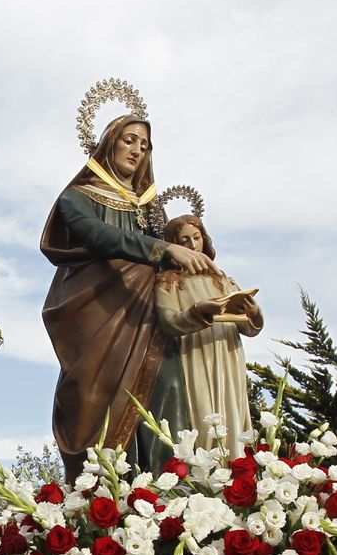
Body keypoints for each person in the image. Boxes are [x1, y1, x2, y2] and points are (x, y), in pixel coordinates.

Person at [40, 113, 245, 478]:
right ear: (109, 143)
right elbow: (97, 235)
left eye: (145, 145)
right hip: (99, 313)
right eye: (130, 140)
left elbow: (176, 255)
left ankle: (165, 498)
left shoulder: (149, 208)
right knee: (92, 402)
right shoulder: (78, 197)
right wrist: (160, 250)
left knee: (167, 394)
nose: (137, 150)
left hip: (151, 318)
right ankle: (103, 499)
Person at [156, 213, 264, 452]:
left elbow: (248, 327)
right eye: (184, 241)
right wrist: (197, 311)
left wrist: (253, 312)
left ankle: (235, 469)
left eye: (196, 237)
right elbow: (168, 321)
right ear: (173, 246)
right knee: (202, 414)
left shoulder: (221, 279)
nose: (193, 246)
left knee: (231, 411)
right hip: (195, 354)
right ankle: (205, 476)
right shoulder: (168, 282)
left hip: (227, 351)